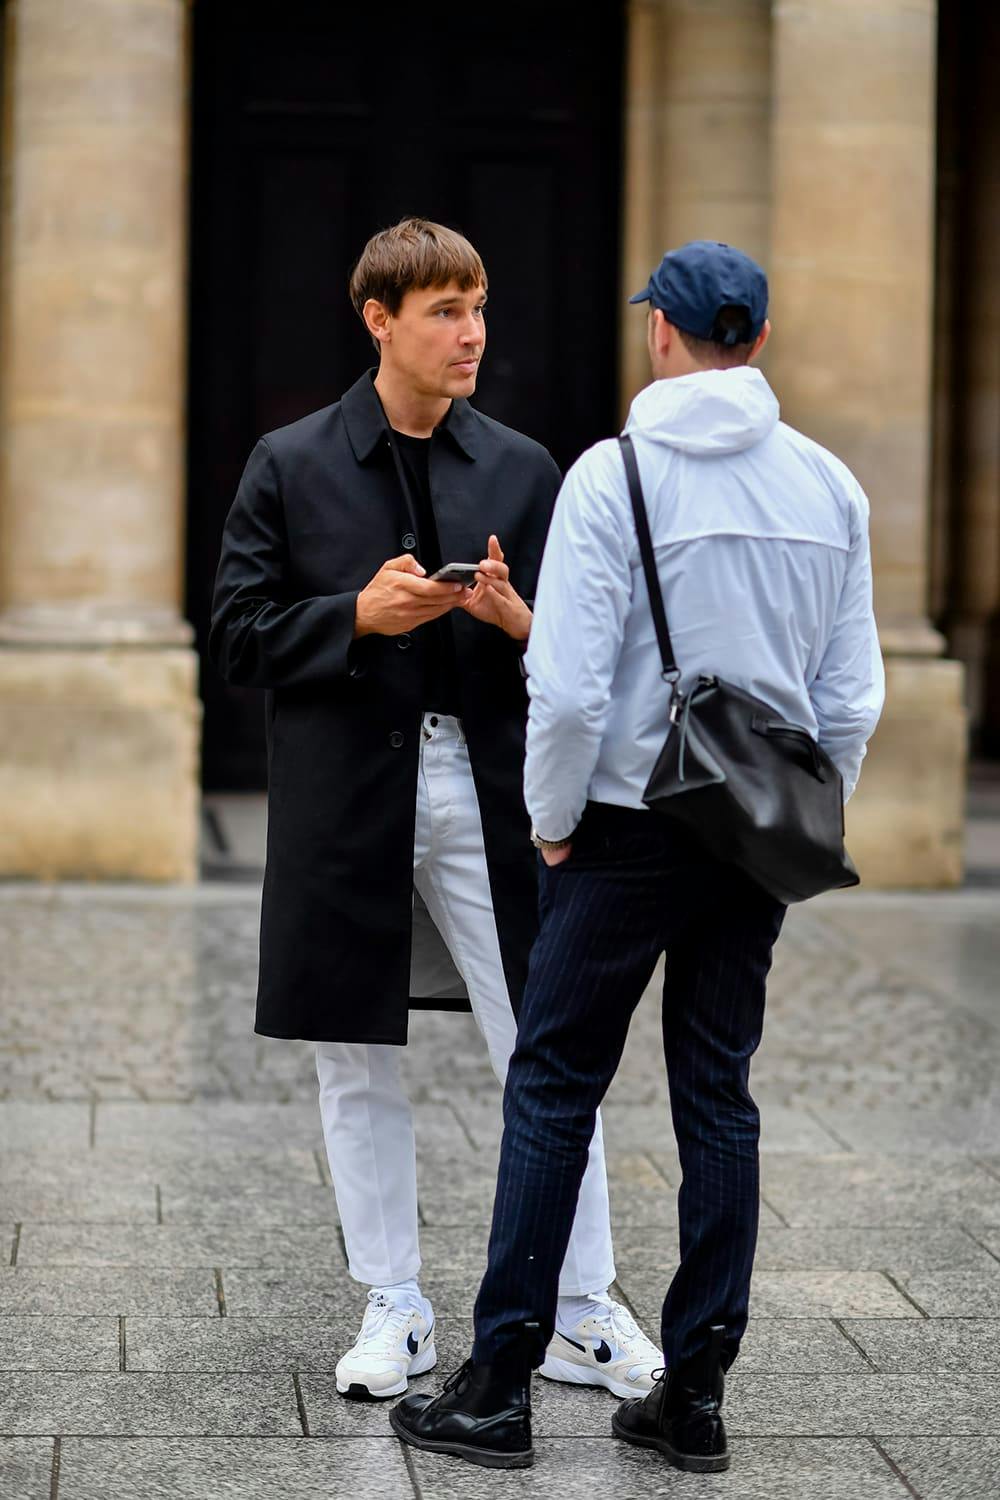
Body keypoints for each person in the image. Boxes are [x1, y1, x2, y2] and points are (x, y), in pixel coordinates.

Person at [390, 239, 886, 1471]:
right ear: (756, 341)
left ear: (660, 334)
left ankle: (498, 1384)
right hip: (753, 837)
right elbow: (853, 698)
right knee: (718, 1092)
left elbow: (562, 689)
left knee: (554, 1083)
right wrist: (797, 825)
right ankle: (695, 1397)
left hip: (620, 824)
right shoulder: (828, 487)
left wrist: (551, 818)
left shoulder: (616, 479)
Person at [209, 218, 660, 1405]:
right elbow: (236, 634)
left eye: (479, 306)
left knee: (545, 1043)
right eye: (446, 310)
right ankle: (394, 1305)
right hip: (344, 791)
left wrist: (517, 622)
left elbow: (593, 650)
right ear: (379, 321)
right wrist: (354, 617)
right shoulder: (289, 461)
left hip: (492, 787)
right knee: (351, 1056)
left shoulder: (522, 467)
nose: (472, 333)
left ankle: (578, 1308)